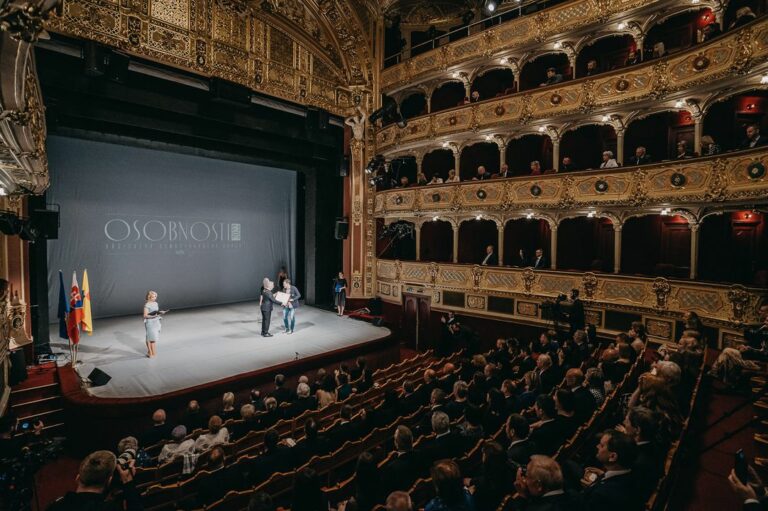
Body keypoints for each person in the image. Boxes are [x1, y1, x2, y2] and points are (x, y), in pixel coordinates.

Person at [47, 450, 143, 511]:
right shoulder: (109, 508)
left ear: (77, 478)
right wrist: (128, 482)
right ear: (109, 481)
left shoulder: (55, 506)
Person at [581, 430, 640, 511]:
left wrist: (593, 486)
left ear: (612, 457)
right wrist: (603, 475)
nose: (597, 446)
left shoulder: (601, 494)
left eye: (601, 446)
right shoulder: (631, 473)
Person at [513, 455, 577, 510]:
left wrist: (522, 496)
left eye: (526, 477)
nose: (525, 481)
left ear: (538, 485)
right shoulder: (575, 495)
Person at [143, 290, 166, 358]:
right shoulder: (147, 305)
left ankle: (153, 351)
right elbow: (145, 315)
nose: (155, 298)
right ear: (149, 297)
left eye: (156, 296)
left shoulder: (156, 303)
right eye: (153, 297)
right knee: (149, 337)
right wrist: (154, 316)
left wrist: (160, 312)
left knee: (154, 337)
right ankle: (150, 352)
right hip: (150, 322)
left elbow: (155, 312)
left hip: (156, 321)